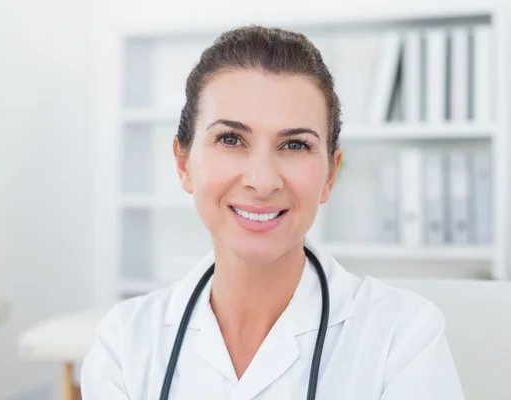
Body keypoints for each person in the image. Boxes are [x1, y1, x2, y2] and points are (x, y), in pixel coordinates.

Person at [80, 25, 464, 399]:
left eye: (295, 145)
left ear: (331, 173)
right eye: (230, 139)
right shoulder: (125, 344)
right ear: (183, 164)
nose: (263, 181)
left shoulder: (404, 336)